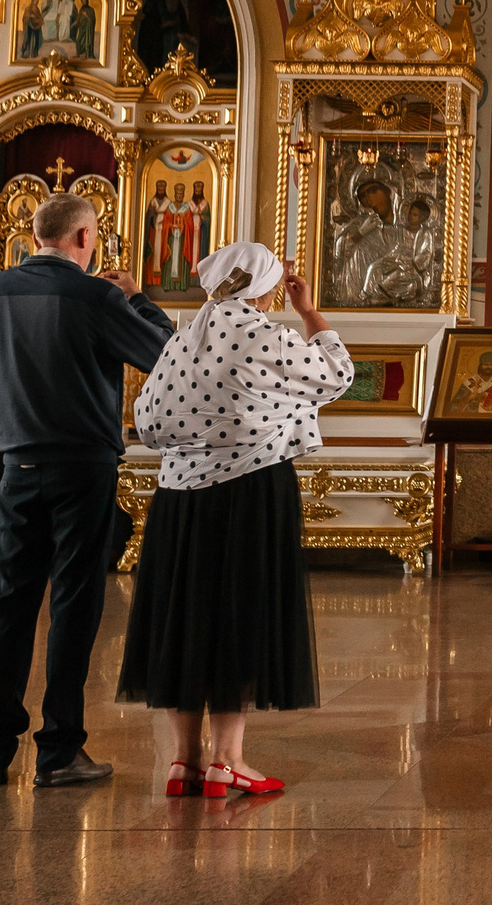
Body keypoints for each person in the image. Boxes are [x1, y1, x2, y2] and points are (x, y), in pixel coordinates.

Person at [0, 193, 175, 788]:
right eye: (95, 233)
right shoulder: (95, 294)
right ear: (82, 238)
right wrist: (136, 298)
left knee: (12, 602)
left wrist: (20, 411)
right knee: (74, 603)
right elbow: (165, 356)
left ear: (36, 236)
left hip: (17, 466)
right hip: (83, 466)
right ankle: (58, 751)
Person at [121, 242, 351, 797]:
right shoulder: (266, 334)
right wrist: (308, 311)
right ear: (266, 287)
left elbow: (147, 421)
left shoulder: (183, 338)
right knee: (238, 617)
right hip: (250, 490)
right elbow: (336, 374)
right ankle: (228, 761)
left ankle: (184, 762)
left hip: (179, 497)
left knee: (186, 618)